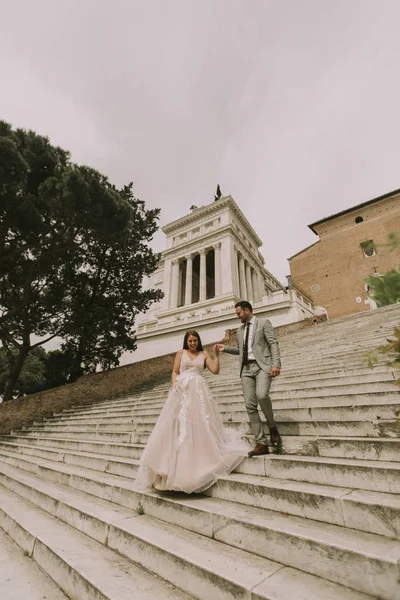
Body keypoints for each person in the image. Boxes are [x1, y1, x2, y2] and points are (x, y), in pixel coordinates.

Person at [134, 330, 249, 494]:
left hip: (198, 392)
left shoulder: (204, 354)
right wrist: (174, 384)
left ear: (198, 341)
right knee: (177, 426)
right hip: (181, 391)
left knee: (198, 424)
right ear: (186, 342)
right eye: (190, 341)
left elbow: (215, 371)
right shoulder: (181, 353)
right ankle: (167, 467)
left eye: (195, 341)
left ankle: (194, 465)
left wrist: (216, 356)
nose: (193, 343)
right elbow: (175, 371)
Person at [215, 301, 282, 457]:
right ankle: (261, 443)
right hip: (245, 369)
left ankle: (272, 426)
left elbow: (273, 343)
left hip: (262, 366)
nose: (237, 316)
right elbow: (241, 350)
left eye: (239, 313)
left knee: (262, 395)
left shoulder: (263, 323)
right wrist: (225, 348)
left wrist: (276, 364)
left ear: (246, 311)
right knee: (249, 405)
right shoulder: (239, 331)